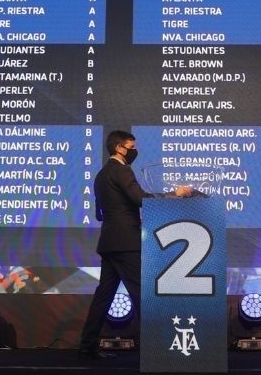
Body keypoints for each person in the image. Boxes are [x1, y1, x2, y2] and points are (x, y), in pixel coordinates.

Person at [77, 129, 193, 359]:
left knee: (104, 296)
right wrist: (175, 193)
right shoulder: (121, 170)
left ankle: (87, 345)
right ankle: (158, 350)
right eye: (131, 147)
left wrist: (122, 213)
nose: (134, 151)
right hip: (126, 243)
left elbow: (100, 213)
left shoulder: (101, 175)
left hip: (109, 241)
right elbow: (140, 198)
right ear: (119, 147)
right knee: (142, 293)